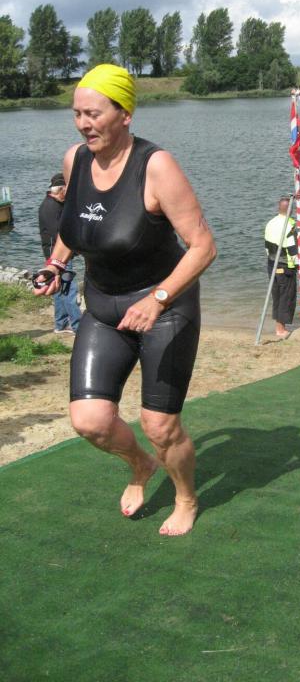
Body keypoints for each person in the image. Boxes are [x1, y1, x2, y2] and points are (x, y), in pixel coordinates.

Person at [33, 63, 217, 537]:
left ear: (125, 114)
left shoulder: (156, 166)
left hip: (164, 308)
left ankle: (186, 496)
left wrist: (158, 299)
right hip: (103, 307)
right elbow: (75, 226)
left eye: (94, 114)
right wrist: (55, 265)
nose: (83, 124)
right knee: (90, 421)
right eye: (77, 113)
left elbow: (203, 246)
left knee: (160, 426)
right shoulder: (76, 160)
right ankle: (140, 465)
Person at [38, 173, 81, 334]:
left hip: (55, 254)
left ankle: (60, 324)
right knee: (69, 289)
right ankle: (77, 326)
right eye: (67, 191)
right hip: (57, 256)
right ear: (61, 190)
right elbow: (59, 234)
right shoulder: (50, 207)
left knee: (58, 289)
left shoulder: (55, 204)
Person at [264, 196, 298, 338]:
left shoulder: (270, 223)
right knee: (286, 296)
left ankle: (279, 327)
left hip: (272, 263)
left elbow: (267, 247)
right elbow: (293, 250)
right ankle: (281, 329)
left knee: (277, 295)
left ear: (279, 208)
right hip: (285, 266)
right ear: (291, 209)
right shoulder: (290, 224)